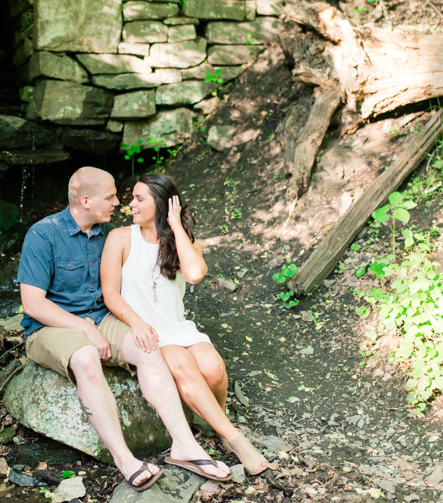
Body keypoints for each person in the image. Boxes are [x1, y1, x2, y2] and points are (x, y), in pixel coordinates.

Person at [18, 167, 231, 491]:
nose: (119, 203)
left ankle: (184, 445)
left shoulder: (107, 235)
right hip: (50, 325)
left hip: (103, 319)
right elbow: (33, 304)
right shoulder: (43, 234)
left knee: (148, 344)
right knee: (87, 356)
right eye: (111, 197)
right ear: (86, 200)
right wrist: (84, 329)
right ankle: (124, 459)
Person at [101, 173, 270, 476]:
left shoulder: (182, 240)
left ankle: (215, 423)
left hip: (176, 326)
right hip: (144, 331)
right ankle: (236, 440)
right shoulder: (120, 238)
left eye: (139, 199)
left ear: (162, 205)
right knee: (183, 365)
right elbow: (110, 292)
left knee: (213, 367)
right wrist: (136, 323)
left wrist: (176, 226)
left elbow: (194, 275)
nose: (131, 205)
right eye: (132, 198)